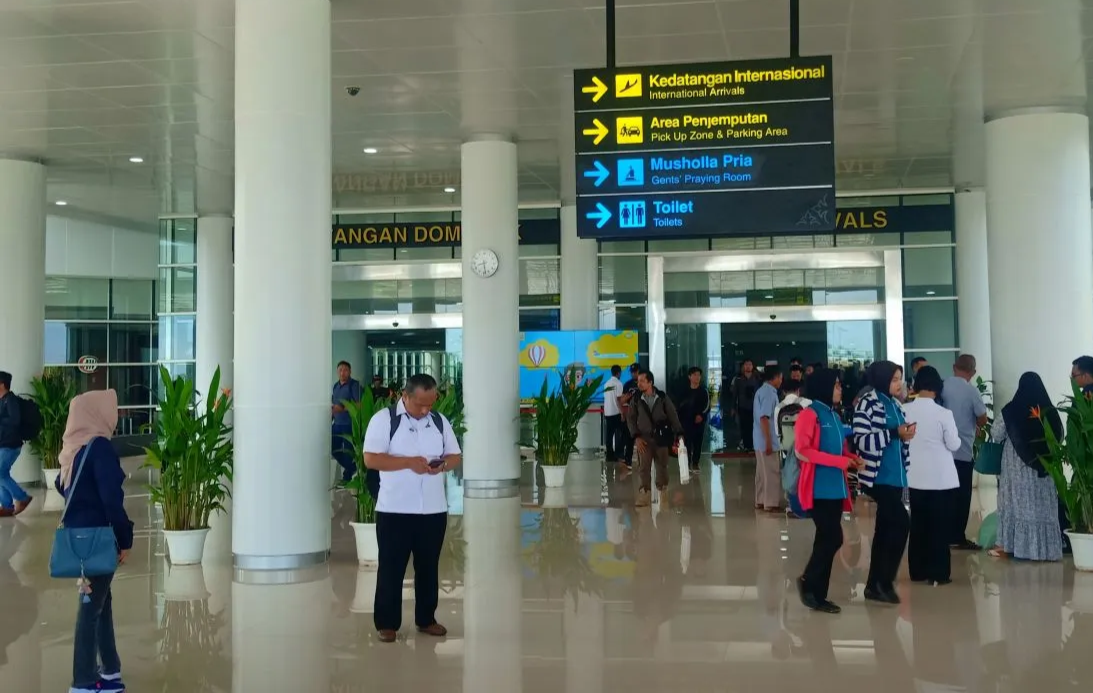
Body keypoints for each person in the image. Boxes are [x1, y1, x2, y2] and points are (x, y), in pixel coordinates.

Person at [363, 374, 462, 643]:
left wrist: (442, 465)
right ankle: (387, 623)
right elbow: (371, 459)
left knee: (428, 567)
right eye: (420, 404)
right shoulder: (384, 421)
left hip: (432, 510)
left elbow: (454, 456)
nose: (425, 410)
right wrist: (408, 463)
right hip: (395, 510)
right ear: (404, 397)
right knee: (391, 568)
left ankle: (426, 619)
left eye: (430, 404)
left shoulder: (439, 422)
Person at [56, 389, 133, 693]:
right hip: (98, 538)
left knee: (101, 600)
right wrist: (124, 538)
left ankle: (110, 668)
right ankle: (84, 681)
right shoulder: (98, 447)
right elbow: (112, 499)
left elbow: (64, 490)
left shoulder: (72, 449)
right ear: (97, 412)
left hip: (79, 539)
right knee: (90, 607)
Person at [794, 368, 860, 613]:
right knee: (833, 538)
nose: (840, 389)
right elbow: (803, 450)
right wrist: (841, 462)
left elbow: (838, 450)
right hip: (818, 488)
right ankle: (808, 583)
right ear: (823, 387)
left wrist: (851, 458)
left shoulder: (833, 415)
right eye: (836, 385)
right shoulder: (810, 415)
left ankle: (817, 594)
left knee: (825, 539)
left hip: (836, 488)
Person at [854, 360, 914, 605]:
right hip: (879, 477)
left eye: (899, 378)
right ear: (881, 379)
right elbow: (862, 441)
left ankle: (874, 585)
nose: (898, 383)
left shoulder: (896, 405)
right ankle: (885, 581)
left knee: (884, 531)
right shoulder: (867, 404)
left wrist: (906, 434)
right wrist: (893, 433)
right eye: (894, 379)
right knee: (901, 523)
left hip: (896, 476)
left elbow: (899, 437)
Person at [989, 372, 1063, 562]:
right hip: (1045, 468)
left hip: (1017, 468)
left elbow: (996, 434)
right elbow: (1059, 437)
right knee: (1042, 506)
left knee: (1017, 504)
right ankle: (1045, 550)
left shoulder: (1011, 410)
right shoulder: (1050, 411)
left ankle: (1010, 547)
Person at [903, 366, 962, 585]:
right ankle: (939, 573)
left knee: (918, 525)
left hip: (915, 477)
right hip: (941, 480)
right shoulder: (943, 414)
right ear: (937, 386)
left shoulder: (905, 409)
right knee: (939, 527)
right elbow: (954, 444)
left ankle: (917, 571)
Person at [941, 354, 989, 550]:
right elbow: (983, 418)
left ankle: (942, 534)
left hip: (942, 452)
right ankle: (957, 536)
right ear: (973, 372)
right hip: (962, 451)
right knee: (962, 495)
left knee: (944, 494)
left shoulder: (942, 386)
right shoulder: (972, 391)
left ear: (954, 367)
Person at [625, 369, 683, 508]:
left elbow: (672, 415)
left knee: (662, 466)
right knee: (643, 468)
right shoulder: (636, 399)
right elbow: (631, 419)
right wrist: (636, 437)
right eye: (638, 381)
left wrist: (679, 433)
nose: (639, 384)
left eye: (642, 381)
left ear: (650, 382)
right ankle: (644, 494)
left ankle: (663, 493)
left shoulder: (662, 397)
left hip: (661, 439)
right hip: (643, 439)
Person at [0, 371, 32, 517]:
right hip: (3, 444)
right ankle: (6, 506)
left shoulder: (11, 400)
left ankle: (22, 497)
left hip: (11, 445)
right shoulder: (2, 401)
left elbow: (15, 420)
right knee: (2, 473)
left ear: (2, 384)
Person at [753, 367, 784, 513]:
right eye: (780, 377)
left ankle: (760, 500)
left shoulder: (761, 391)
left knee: (761, 473)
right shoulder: (769, 393)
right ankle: (770, 503)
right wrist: (768, 441)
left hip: (758, 439)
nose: (781, 381)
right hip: (766, 439)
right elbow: (764, 418)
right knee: (771, 472)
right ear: (775, 377)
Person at [331, 361, 363, 484]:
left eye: (345, 370)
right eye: (340, 370)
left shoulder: (354, 385)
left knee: (349, 451)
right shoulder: (335, 386)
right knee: (333, 449)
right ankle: (352, 468)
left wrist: (343, 409)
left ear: (350, 372)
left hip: (349, 424)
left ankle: (347, 476)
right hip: (337, 423)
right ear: (337, 372)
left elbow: (359, 405)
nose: (342, 372)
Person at [676, 366, 710, 470]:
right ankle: (687, 463)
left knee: (698, 443)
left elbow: (707, 406)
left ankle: (695, 463)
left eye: (699, 375)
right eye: (694, 375)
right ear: (689, 377)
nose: (697, 377)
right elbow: (678, 406)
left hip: (699, 422)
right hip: (686, 421)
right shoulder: (683, 391)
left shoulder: (704, 391)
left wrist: (701, 415)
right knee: (686, 443)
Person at [730, 360, 762, 451]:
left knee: (754, 426)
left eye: (750, 364)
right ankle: (746, 446)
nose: (748, 366)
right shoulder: (738, 379)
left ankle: (753, 445)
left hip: (755, 407)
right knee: (744, 427)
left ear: (752, 366)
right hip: (742, 407)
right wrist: (733, 407)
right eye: (746, 365)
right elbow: (734, 394)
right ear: (743, 366)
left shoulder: (757, 379)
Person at [618, 363, 641, 468]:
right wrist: (628, 396)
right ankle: (628, 461)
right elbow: (622, 400)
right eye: (632, 372)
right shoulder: (627, 384)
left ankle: (643, 462)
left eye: (635, 372)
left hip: (642, 415)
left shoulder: (644, 383)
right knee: (629, 438)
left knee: (643, 438)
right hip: (631, 415)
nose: (633, 374)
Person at [603, 365, 626, 464]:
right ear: (618, 373)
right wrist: (622, 413)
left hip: (607, 412)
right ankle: (619, 453)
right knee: (625, 433)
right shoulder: (619, 384)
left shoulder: (606, 383)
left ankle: (609, 456)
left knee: (609, 435)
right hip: (616, 412)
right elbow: (619, 400)